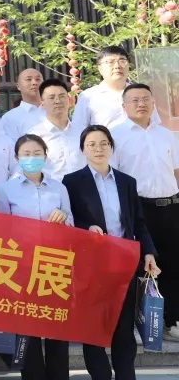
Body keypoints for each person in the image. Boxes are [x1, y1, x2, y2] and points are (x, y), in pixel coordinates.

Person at [64, 125, 160, 380]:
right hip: (91, 265)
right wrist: (86, 228)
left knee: (123, 328)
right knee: (94, 327)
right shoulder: (72, 182)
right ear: (83, 149)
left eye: (103, 143)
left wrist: (149, 252)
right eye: (92, 144)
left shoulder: (127, 182)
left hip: (124, 262)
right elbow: (69, 221)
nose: (98, 149)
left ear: (111, 147)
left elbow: (138, 222)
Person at [0, 133, 71, 380]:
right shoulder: (7, 190)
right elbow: (2, 231)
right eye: (26, 154)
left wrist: (63, 217)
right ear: (17, 158)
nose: (32, 158)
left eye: (37, 153)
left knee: (57, 329)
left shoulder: (59, 187)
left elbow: (71, 223)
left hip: (54, 266)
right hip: (22, 267)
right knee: (28, 329)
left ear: (45, 156)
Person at [109, 83, 179, 340]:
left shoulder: (166, 134)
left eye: (145, 99)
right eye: (135, 100)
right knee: (138, 266)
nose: (141, 104)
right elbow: (112, 177)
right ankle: (140, 323)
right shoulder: (115, 135)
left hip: (171, 206)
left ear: (153, 102)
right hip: (138, 208)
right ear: (124, 106)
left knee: (173, 263)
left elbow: (176, 171)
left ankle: (172, 320)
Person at [72, 46, 160, 131]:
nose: (117, 66)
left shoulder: (142, 93)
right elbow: (78, 130)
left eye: (122, 61)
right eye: (110, 62)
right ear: (100, 68)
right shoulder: (88, 97)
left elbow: (155, 126)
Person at [28, 79, 85, 180]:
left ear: (69, 100)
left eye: (62, 96)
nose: (58, 101)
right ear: (42, 104)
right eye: (51, 97)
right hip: (51, 188)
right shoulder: (34, 136)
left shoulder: (83, 132)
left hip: (82, 187)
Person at [0, 69, 44, 139]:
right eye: (29, 79)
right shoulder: (10, 118)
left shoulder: (55, 111)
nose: (34, 83)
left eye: (38, 79)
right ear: (18, 86)